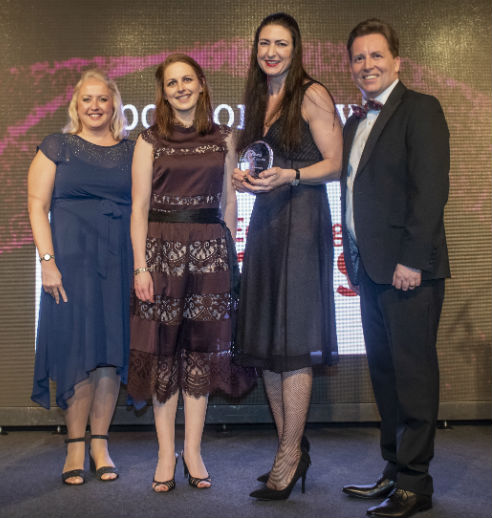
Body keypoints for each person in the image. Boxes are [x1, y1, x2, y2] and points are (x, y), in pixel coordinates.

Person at [127, 53, 255, 493]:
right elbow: (139, 209)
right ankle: (166, 455)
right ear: (162, 92)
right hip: (160, 255)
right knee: (164, 355)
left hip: (209, 256)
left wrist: (228, 252)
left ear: (201, 84)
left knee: (200, 355)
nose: (180, 88)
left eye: (187, 80)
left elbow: (229, 202)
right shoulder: (148, 140)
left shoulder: (224, 138)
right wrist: (140, 266)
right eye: (170, 83)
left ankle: (194, 452)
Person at [340, 19, 450, 518]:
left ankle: (415, 484)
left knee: (413, 376)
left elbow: (430, 192)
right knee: (385, 376)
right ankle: (392, 471)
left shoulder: (421, 109)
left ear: (397, 61)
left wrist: (411, 259)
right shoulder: (353, 121)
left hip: (409, 272)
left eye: (376, 55)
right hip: (371, 271)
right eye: (359, 58)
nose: (367, 65)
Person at [232, 13, 342, 500]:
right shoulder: (258, 98)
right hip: (266, 223)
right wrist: (242, 176)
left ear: (296, 49)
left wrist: (293, 176)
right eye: (264, 43)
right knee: (271, 344)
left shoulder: (312, 94)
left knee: (293, 341)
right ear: (255, 50)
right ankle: (290, 448)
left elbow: (337, 163)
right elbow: (254, 156)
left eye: (280, 43)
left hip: (301, 221)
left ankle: (289, 455)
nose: (271, 51)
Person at [28, 69, 134, 485]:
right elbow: (37, 205)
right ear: (76, 106)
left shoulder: (131, 150)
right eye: (87, 99)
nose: (95, 106)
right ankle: (74, 446)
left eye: (102, 99)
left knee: (109, 353)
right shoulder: (58, 146)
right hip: (69, 264)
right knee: (75, 351)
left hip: (118, 263)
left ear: (114, 105)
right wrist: (47, 261)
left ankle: (100, 443)